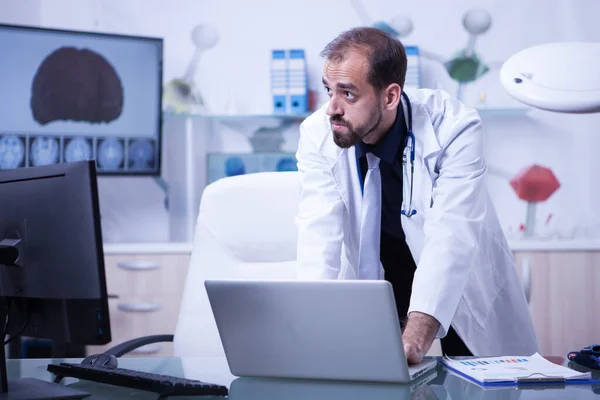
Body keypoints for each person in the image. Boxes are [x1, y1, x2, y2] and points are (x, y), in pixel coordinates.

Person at [294, 27, 539, 364]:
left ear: (390, 96)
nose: (331, 108)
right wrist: (307, 331)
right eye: (328, 91)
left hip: (457, 283)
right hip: (379, 277)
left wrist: (418, 333)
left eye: (348, 94)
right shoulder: (317, 134)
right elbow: (318, 235)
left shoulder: (453, 127)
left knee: (479, 384)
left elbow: (451, 234)